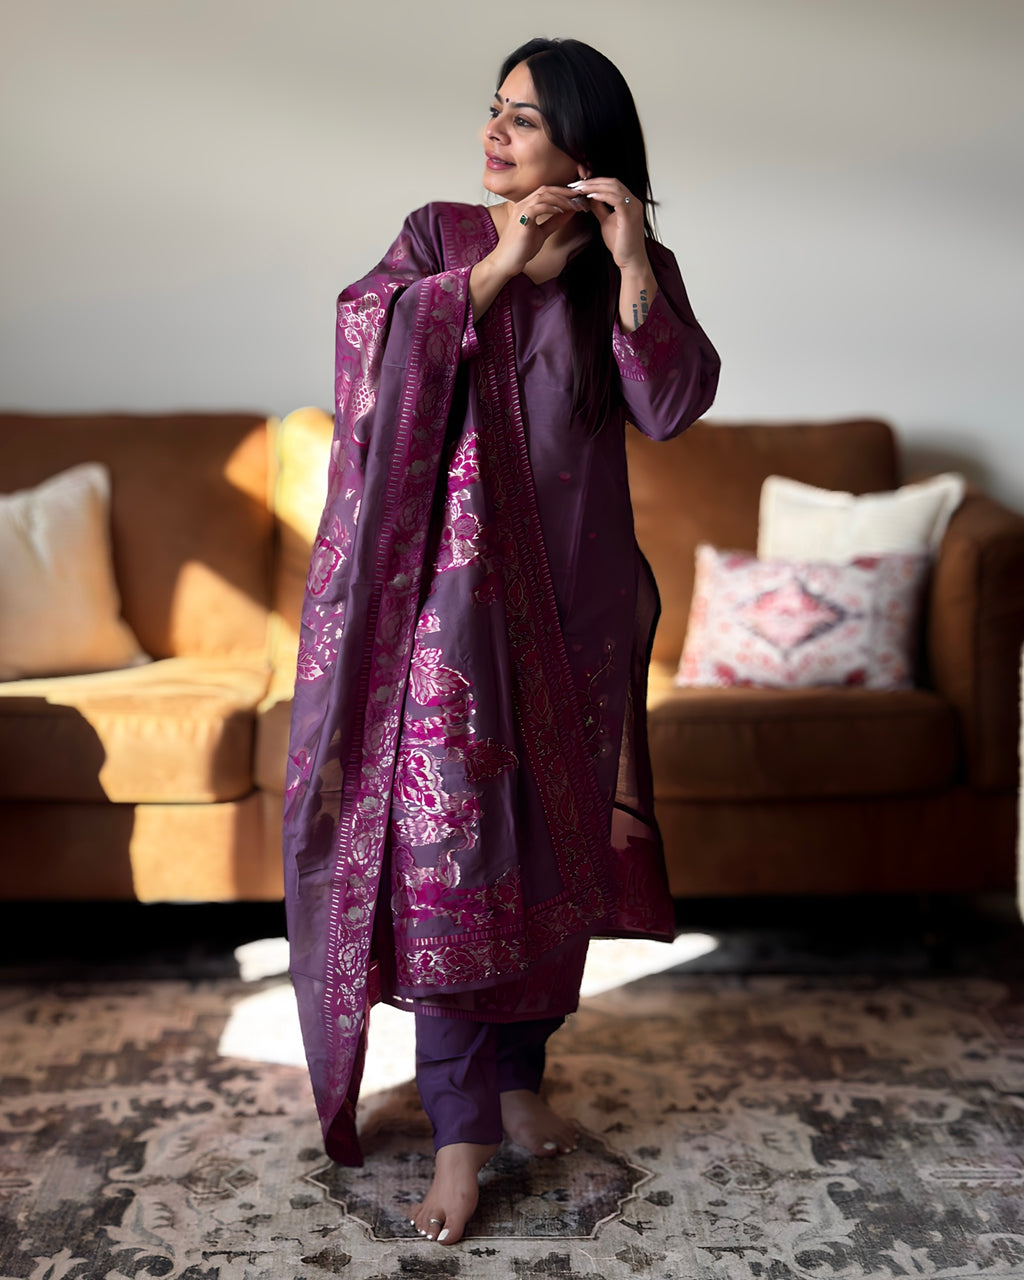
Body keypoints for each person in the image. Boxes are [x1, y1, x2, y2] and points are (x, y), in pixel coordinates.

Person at [283, 36, 720, 1246]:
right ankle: (459, 1127)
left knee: (552, 850)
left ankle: (519, 1070)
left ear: (585, 146)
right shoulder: (438, 238)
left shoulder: (629, 264)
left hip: (579, 607)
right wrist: (495, 269)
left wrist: (629, 261)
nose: (494, 133)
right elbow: (370, 355)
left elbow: (670, 403)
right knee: (459, 855)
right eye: (495, 110)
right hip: (451, 610)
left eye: (523, 119)